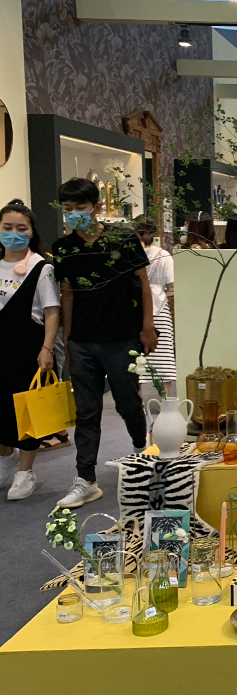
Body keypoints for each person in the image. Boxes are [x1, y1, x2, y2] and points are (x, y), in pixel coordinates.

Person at [52, 178, 157, 508]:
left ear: (96, 207)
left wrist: (148, 327)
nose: (74, 214)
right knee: (87, 411)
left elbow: (143, 283)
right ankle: (86, 479)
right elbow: (67, 293)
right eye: (67, 209)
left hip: (122, 338)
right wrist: (67, 338)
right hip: (82, 341)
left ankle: (142, 452)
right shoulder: (64, 247)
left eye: (80, 207)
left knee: (128, 403)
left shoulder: (122, 238)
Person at [0, 200, 60, 500]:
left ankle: (25, 473)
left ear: (32, 231)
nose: (14, 233)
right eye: (7, 227)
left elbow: (51, 311)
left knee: (26, 413)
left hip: (27, 350)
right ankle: (5, 457)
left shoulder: (42, 267)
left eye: (21, 228)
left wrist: (47, 348)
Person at [136, 220, 176, 398]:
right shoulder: (163, 255)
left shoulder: (131, 253)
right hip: (160, 310)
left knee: (137, 358)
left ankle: (139, 401)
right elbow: (172, 287)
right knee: (164, 357)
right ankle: (165, 400)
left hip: (136, 309)